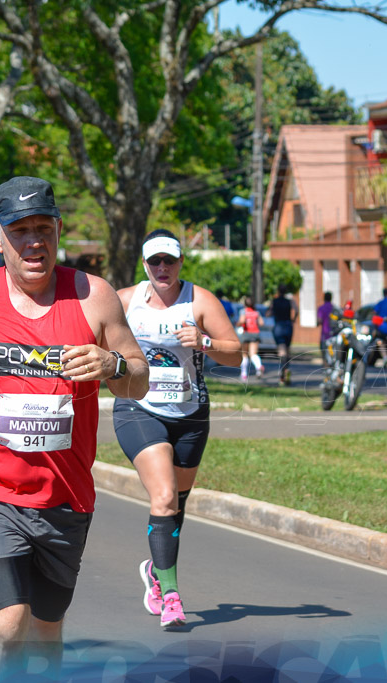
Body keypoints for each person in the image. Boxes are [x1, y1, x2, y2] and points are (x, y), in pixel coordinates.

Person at [0, 176, 148, 679]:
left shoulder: (94, 296)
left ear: (59, 229)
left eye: (43, 227)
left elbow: (139, 381)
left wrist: (112, 367)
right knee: (6, 623)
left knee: (46, 628)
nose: (34, 241)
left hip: (64, 495)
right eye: (20, 230)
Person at [114, 229, 242, 631]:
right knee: (164, 495)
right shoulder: (123, 301)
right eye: (155, 262)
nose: (163, 268)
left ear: (181, 262)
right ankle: (171, 597)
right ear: (144, 264)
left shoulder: (199, 301)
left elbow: (236, 354)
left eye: (169, 260)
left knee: (177, 505)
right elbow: (92, 338)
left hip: (190, 414)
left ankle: (157, 568)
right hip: (139, 407)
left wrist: (204, 342)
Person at [270, 284, 299, 385]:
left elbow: (268, 312)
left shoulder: (274, 301)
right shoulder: (290, 301)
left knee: (281, 350)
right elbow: (297, 310)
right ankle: (286, 369)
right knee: (287, 349)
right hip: (288, 326)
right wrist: (293, 319)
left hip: (278, 326)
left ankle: (282, 372)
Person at [236, 296, 264, 380]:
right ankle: (259, 367)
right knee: (253, 354)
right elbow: (261, 323)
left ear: (245, 304)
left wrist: (237, 324)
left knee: (244, 354)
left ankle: (244, 374)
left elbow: (242, 321)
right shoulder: (256, 312)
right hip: (255, 334)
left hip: (246, 334)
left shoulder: (243, 311)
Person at [316, 292, 335, 366]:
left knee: (324, 353)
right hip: (333, 334)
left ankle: (326, 369)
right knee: (333, 353)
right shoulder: (334, 308)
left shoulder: (321, 308)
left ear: (324, 298)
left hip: (325, 334)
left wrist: (317, 323)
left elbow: (319, 321)